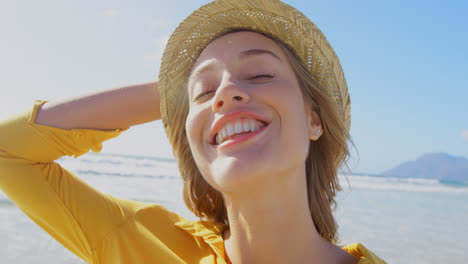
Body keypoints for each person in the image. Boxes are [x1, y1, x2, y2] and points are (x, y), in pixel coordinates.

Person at [0, 0, 386, 263]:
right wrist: (177, 98)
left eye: (260, 75)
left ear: (315, 119)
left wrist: (205, 95)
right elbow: (8, 152)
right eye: (205, 92)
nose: (225, 93)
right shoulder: (144, 244)